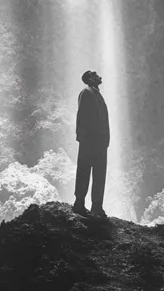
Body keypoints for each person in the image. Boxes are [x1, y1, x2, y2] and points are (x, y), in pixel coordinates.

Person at [73, 69, 110, 218]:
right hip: (90, 141)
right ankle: (79, 202)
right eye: (94, 74)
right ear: (89, 78)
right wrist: (82, 137)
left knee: (99, 173)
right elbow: (81, 115)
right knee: (84, 171)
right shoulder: (86, 93)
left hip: (100, 142)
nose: (98, 75)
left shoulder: (96, 94)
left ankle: (97, 205)